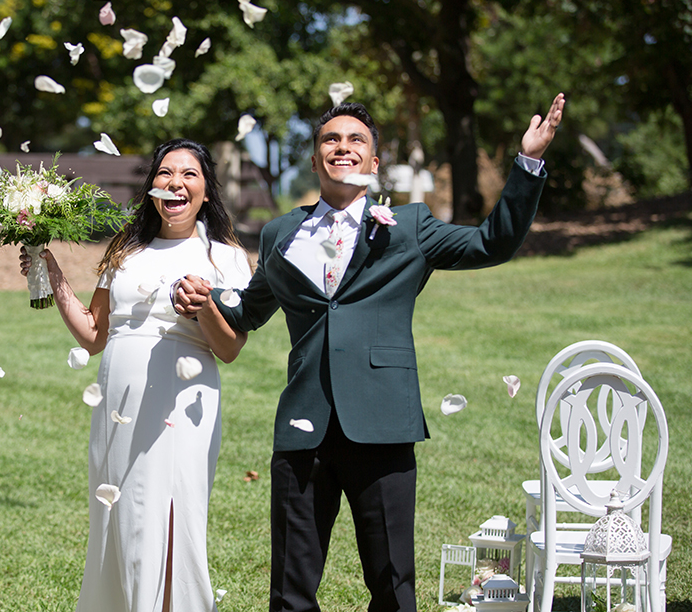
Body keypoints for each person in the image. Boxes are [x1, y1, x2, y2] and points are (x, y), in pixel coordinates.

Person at [175, 94, 565, 612]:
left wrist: (529, 163)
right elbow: (247, 311)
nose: (343, 147)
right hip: (302, 428)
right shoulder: (279, 234)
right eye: (330, 140)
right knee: (290, 591)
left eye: (356, 139)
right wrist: (206, 299)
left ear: (373, 162)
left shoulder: (410, 226)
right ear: (315, 160)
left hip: (383, 423)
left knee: (393, 586)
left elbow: (493, 242)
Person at [21, 138, 252, 612]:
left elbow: (229, 347)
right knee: (120, 516)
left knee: (173, 514)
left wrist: (205, 307)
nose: (176, 183)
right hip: (116, 403)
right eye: (165, 174)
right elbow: (93, 333)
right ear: (151, 188)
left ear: (206, 192)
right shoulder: (126, 251)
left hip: (183, 401)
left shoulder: (225, 258)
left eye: (190, 175)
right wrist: (50, 269)